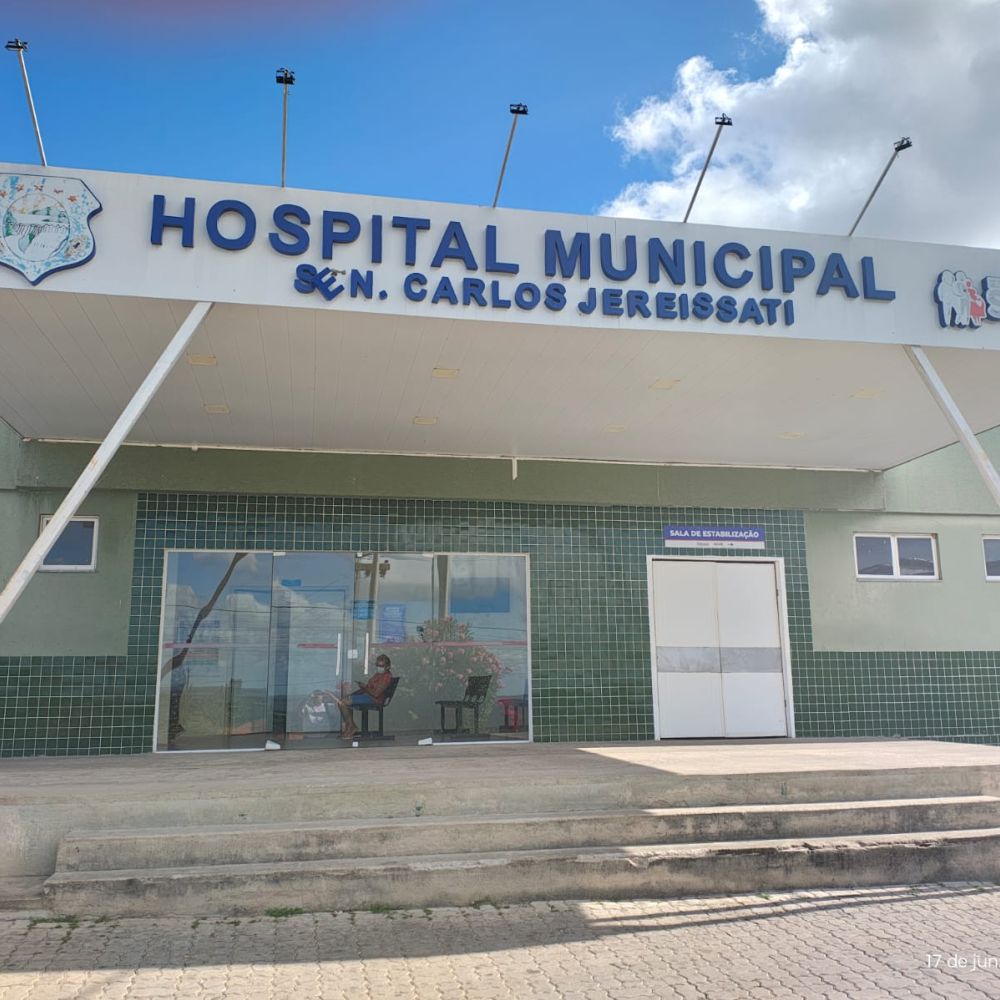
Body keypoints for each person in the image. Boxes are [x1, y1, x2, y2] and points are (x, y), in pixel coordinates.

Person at [332, 654, 393, 739]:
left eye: (381, 666)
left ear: (387, 666)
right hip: (368, 696)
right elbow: (368, 688)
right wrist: (355, 693)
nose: (379, 667)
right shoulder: (378, 675)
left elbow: (376, 693)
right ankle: (350, 727)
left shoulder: (386, 677)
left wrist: (364, 687)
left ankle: (351, 727)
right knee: (344, 700)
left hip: (374, 699)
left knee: (343, 702)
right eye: (377, 665)